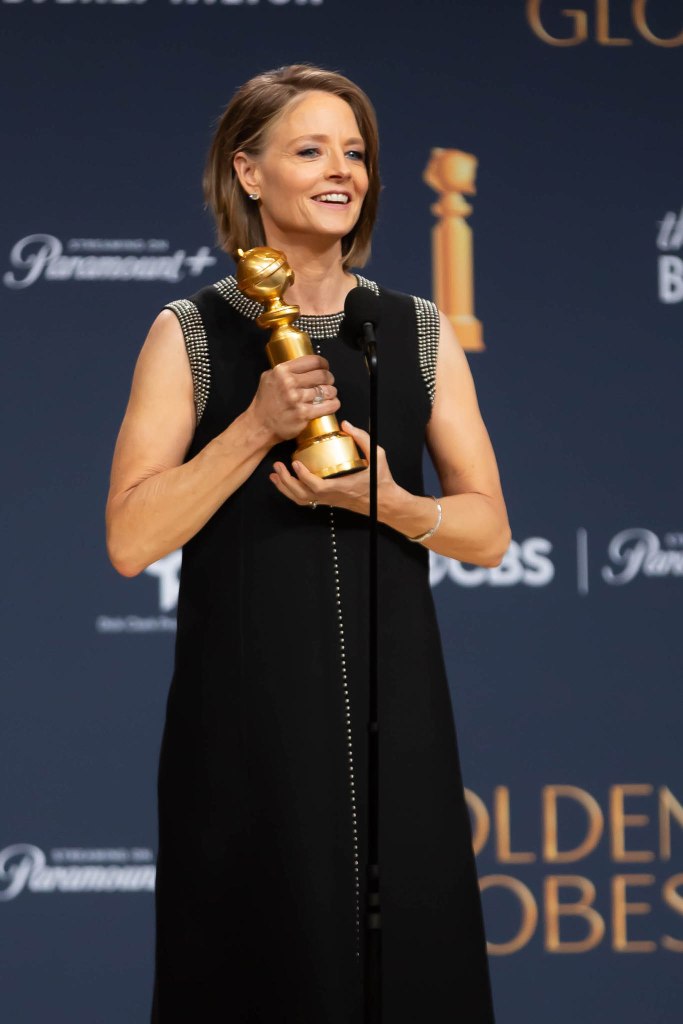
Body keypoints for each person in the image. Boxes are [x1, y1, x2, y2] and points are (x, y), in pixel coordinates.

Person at [106, 63, 509, 1024]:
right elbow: (129, 537)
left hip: (396, 716)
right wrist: (253, 427)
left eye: (355, 152)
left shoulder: (412, 329)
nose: (342, 171)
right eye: (311, 150)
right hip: (247, 726)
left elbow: (488, 530)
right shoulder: (191, 330)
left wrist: (389, 502)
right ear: (248, 173)